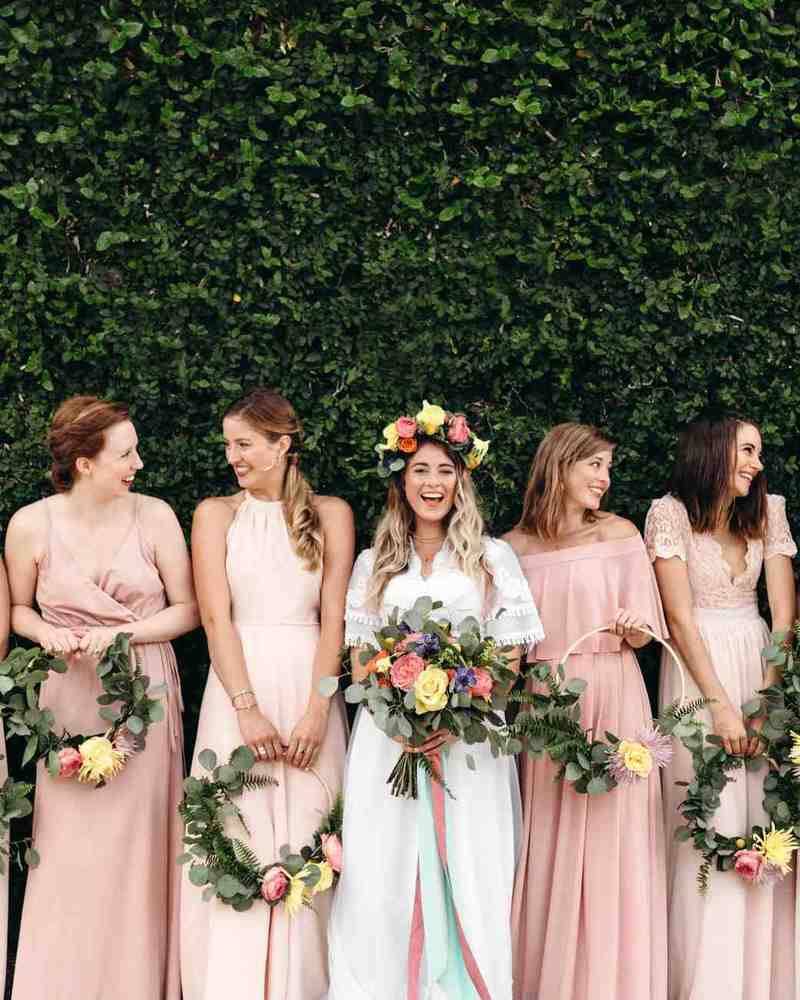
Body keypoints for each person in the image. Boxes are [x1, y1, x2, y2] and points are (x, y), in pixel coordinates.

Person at [327, 403, 543, 999]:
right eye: (421, 470)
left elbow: (507, 656)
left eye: (445, 471)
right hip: (387, 738)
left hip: (469, 741)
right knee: (385, 867)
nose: (433, 484)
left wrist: (462, 712)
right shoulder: (376, 565)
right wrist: (395, 718)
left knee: (472, 861)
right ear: (401, 479)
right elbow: (360, 658)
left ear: (461, 480)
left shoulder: (491, 559)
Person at [5, 395, 198, 1000]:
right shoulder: (31, 523)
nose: (138, 462)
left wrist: (120, 633)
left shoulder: (156, 515)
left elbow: (189, 610)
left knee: (137, 850)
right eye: (125, 453)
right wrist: (48, 632)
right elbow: (17, 610)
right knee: (66, 852)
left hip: (142, 695)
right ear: (84, 463)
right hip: (66, 697)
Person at [181, 387, 352, 1000]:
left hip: (309, 682)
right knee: (237, 829)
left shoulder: (331, 513)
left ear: (283, 446)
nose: (233, 456)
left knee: (313, 830)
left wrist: (318, 707)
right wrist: (244, 709)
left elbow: (335, 618)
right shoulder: (213, 514)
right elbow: (215, 618)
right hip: (239, 685)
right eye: (229, 445)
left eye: (245, 444)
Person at [507, 422, 668, 1000]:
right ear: (561, 466)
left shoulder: (619, 533)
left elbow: (648, 632)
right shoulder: (513, 549)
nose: (604, 479)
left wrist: (635, 629)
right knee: (549, 835)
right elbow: (505, 647)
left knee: (615, 838)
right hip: (548, 705)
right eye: (594, 466)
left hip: (615, 691)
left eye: (608, 467)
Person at [644, 415, 797, 1000]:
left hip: (759, 664)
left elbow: (783, 615)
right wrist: (722, 709)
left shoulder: (769, 510)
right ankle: (704, 981)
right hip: (696, 672)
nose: (758, 464)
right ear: (713, 452)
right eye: (749, 451)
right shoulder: (670, 514)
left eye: (760, 452)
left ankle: (764, 982)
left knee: (764, 815)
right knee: (706, 818)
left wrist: (766, 697)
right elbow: (679, 619)